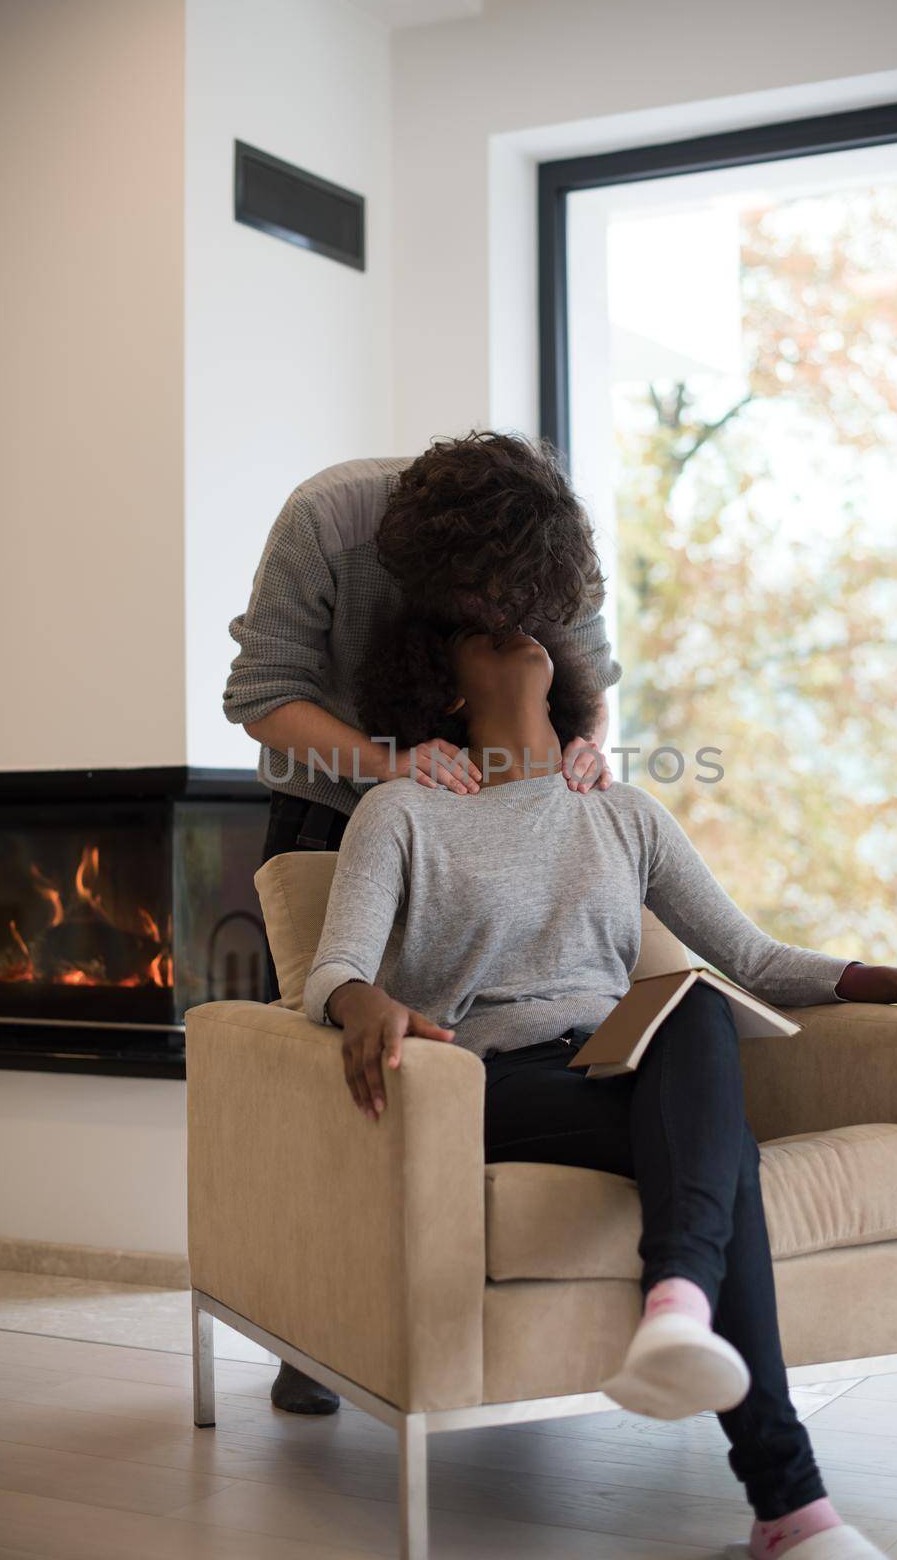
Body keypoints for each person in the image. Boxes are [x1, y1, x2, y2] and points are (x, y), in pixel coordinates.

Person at [302, 616, 897, 1560]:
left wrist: (881, 979)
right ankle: (792, 1508)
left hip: (620, 1067)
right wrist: (364, 1004)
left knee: (698, 1008)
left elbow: (749, 955)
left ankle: (680, 1308)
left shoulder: (623, 812)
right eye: (479, 631)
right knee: (727, 1160)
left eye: (526, 619)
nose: (515, 630)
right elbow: (334, 967)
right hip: (493, 1083)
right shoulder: (405, 812)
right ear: (449, 690)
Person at [223, 430, 621, 1414]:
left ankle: (472, 1284)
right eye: (489, 611)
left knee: (460, 1041)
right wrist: (387, 767)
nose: (509, 627)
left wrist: (578, 758)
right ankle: (320, 1322)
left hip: (497, 812)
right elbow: (261, 697)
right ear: (438, 577)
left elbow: (593, 694)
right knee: (343, 1063)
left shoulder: (548, 554)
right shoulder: (330, 522)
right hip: (336, 802)